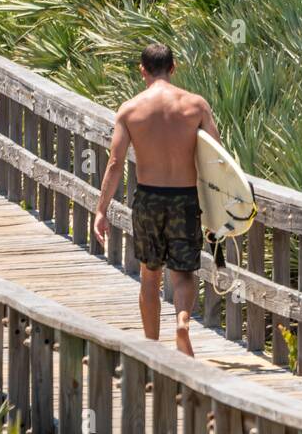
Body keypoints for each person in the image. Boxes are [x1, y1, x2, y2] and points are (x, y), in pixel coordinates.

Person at [93, 42, 221, 357]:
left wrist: (101, 210)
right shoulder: (196, 106)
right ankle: (182, 322)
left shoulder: (130, 110)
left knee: (150, 274)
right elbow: (218, 158)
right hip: (186, 198)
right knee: (184, 273)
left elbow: (115, 163)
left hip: (149, 198)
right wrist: (220, 210)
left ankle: (152, 349)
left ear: (142, 71)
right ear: (173, 67)